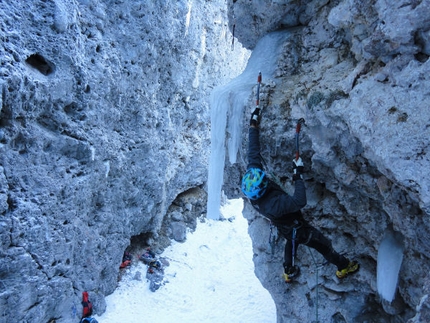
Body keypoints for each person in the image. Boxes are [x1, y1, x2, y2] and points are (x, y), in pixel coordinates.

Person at [241, 107, 359, 282]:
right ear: (262, 188)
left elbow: (253, 151)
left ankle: (288, 271)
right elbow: (299, 201)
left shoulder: (253, 184)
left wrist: (253, 125)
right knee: (324, 245)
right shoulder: (273, 204)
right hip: (299, 228)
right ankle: (344, 267)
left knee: (291, 240)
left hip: (285, 226)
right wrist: (298, 175)